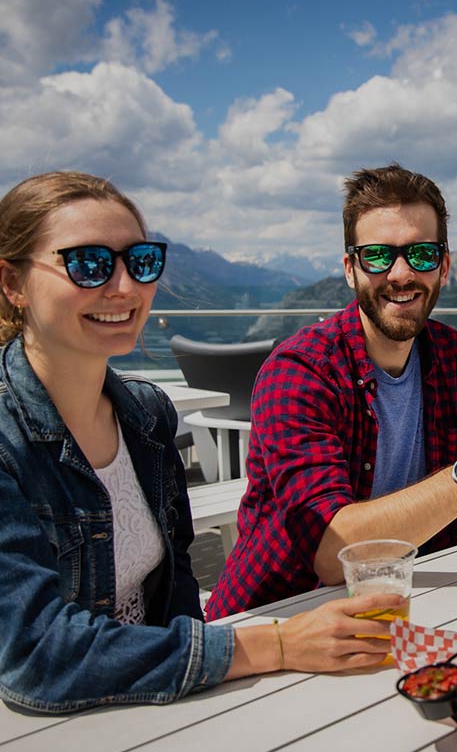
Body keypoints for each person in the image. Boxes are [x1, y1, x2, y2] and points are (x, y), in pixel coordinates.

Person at [0, 171, 399, 714]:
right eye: (87, 264)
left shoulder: (146, 416)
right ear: (12, 283)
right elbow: (40, 656)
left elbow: (177, 584)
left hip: (163, 699)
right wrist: (276, 643)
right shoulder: (8, 439)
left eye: (140, 263)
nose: (123, 287)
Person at [206, 164, 457, 620]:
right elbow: (332, 548)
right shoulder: (299, 372)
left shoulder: (456, 359)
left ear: (445, 266)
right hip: (277, 620)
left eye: (422, 254)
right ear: (350, 270)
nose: (400, 273)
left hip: (409, 608)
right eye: (377, 255)